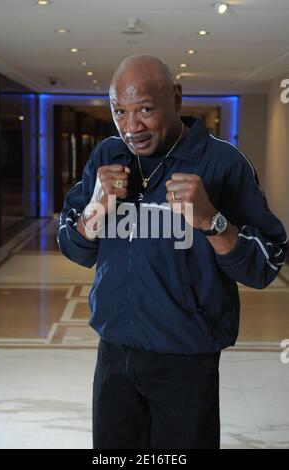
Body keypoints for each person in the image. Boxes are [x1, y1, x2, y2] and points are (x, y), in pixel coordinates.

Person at [58, 54, 288, 449]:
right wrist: (96, 206)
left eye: (145, 108)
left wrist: (212, 221)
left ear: (176, 99)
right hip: (114, 350)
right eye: (120, 111)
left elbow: (264, 266)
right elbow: (77, 250)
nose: (132, 127)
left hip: (186, 357)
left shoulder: (222, 163)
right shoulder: (107, 156)